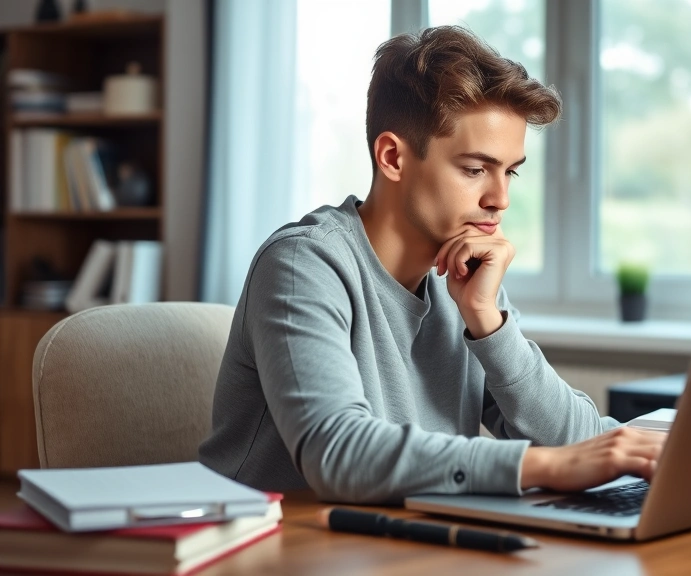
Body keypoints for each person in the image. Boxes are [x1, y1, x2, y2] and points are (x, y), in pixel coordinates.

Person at [198, 25, 665, 504]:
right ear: (393, 157)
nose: (500, 199)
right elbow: (336, 452)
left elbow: (579, 444)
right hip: (278, 549)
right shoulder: (304, 265)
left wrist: (489, 324)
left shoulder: (464, 275)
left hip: (402, 542)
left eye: (511, 171)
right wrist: (546, 466)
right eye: (475, 169)